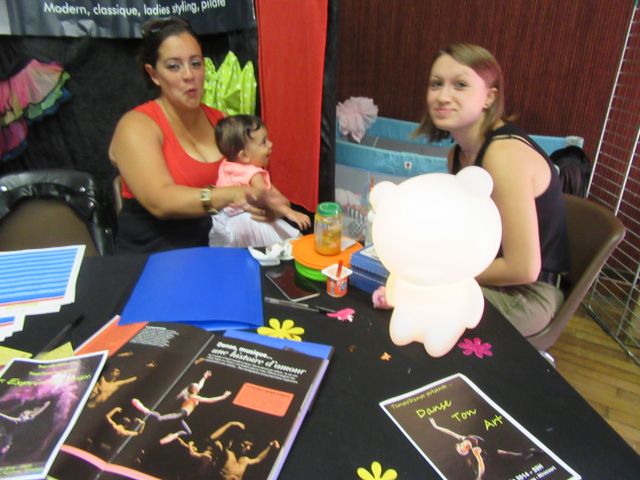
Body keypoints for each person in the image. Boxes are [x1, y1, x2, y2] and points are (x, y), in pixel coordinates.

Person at [414, 43, 569, 337]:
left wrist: (444, 274)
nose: (443, 96)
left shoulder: (503, 155)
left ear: (489, 96)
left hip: (529, 293)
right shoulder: (456, 155)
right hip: (488, 276)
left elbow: (523, 268)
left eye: (460, 85)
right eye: (436, 84)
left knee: (417, 307)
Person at [109, 17, 285, 253]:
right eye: (174, 66)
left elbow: (253, 177)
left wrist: (267, 205)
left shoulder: (221, 121)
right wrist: (232, 194)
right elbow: (160, 201)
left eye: (195, 63)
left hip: (214, 247)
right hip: (153, 253)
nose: (189, 75)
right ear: (154, 74)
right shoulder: (136, 125)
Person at [209, 114, 311, 247]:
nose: (270, 144)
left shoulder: (225, 166)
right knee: (292, 246)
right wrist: (290, 212)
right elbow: (265, 198)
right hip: (252, 224)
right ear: (244, 155)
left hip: (226, 226)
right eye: (264, 142)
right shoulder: (253, 174)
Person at [131, 370, 231, 445]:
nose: (198, 387)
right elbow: (209, 400)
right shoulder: (193, 396)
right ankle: (144, 409)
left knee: (188, 432)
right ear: (193, 390)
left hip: (182, 416)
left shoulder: (194, 393)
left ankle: (174, 435)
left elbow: (200, 385)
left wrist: (204, 377)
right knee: (160, 418)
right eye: (196, 387)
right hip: (181, 413)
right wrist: (223, 396)